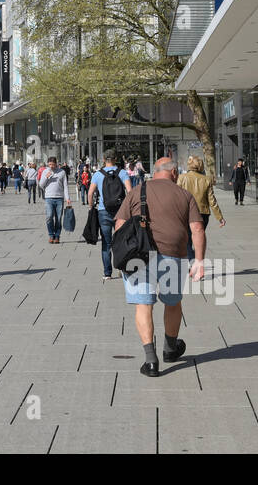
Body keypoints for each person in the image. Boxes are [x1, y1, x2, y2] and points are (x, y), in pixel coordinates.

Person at [113, 157, 205, 377]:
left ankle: (151, 361)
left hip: (139, 257)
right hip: (173, 256)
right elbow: (198, 229)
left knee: (143, 305)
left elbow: (120, 225)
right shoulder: (184, 195)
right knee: (172, 303)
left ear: (154, 172)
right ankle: (170, 349)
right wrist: (199, 262)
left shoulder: (137, 191)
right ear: (173, 173)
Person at [87, 150, 130, 283]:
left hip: (103, 211)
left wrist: (91, 207)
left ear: (104, 159)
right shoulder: (122, 173)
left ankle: (107, 273)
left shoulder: (98, 174)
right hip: (120, 212)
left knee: (106, 243)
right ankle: (122, 268)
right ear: (116, 159)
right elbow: (130, 191)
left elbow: (90, 193)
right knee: (121, 241)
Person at [176, 155, 224, 258]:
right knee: (198, 237)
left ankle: (192, 259)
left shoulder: (181, 178)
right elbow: (212, 200)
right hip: (203, 213)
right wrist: (220, 217)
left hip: (186, 212)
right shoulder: (206, 180)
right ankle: (194, 259)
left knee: (187, 239)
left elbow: (176, 197)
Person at [39, 156, 70, 244]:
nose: (51, 166)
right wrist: (46, 177)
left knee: (58, 218)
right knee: (49, 217)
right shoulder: (45, 171)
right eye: (49, 164)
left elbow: (65, 186)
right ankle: (51, 235)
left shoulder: (62, 172)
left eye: (53, 164)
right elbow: (41, 185)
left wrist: (67, 198)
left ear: (56, 164)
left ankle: (57, 236)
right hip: (49, 198)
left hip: (59, 198)